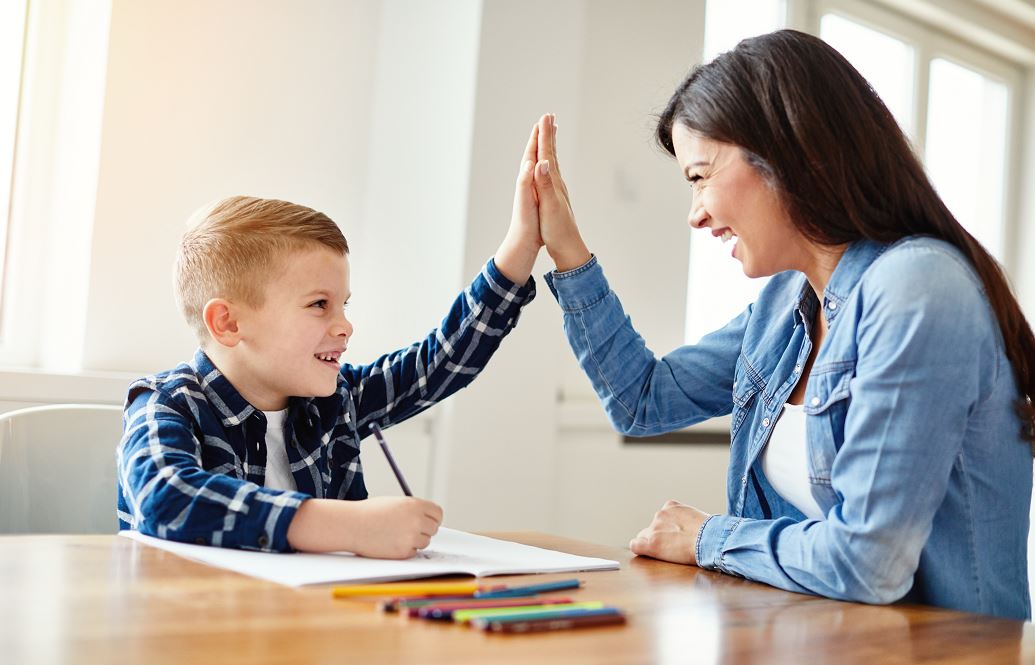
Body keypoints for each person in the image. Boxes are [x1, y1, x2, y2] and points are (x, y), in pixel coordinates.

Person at [527, 30, 1035, 620]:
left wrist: (706, 538)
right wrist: (566, 249)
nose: (696, 214)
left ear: (789, 155)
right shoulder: (784, 306)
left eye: (700, 177)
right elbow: (643, 401)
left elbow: (866, 563)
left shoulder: (918, 289)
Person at [117, 127, 545, 557]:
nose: (345, 326)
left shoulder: (336, 399)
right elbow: (164, 497)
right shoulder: (167, 404)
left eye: (344, 305)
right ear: (228, 323)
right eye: (319, 304)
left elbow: (439, 363)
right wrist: (347, 526)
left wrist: (521, 246)